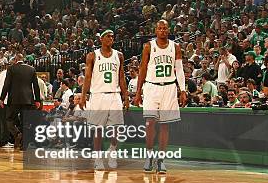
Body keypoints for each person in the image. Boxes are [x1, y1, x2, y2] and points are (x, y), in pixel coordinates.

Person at [134, 20, 187, 174]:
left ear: (168, 30)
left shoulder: (175, 47)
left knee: (165, 125)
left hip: (169, 87)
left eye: (165, 28)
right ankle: (149, 156)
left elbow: (179, 69)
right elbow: (142, 68)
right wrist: (138, 92)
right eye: (160, 28)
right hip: (151, 87)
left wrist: (182, 90)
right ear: (156, 30)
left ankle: (161, 160)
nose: (163, 31)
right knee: (150, 123)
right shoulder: (148, 46)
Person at [80, 29, 129, 170]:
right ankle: (98, 158)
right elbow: (88, 77)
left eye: (112, 36)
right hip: (98, 95)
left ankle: (112, 150)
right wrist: (83, 96)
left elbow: (121, 77)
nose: (111, 38)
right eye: (108, 36)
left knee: (117, 127)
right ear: (101, 39)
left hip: (114, 94)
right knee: (98, 129)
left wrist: (125, 97)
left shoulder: (119, 56)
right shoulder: (92, 56)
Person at [0, 53, 41, 150]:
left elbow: (7, 84)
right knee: (25, 121)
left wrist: (2, 98)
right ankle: (24, 145)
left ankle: (17, 133)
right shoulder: (32, 69)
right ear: (23, 60)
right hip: (28, 99)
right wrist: (37, 99)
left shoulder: (11, 69)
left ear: (15, 60)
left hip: (14, 99)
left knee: (9, 119)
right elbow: (36, 86)